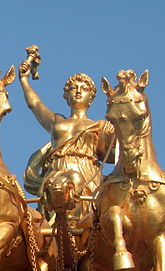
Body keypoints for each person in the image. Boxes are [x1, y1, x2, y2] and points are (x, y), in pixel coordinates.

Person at [19, 60, 115, 220]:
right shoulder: (57, 121)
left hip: (86, 172)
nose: (78, 91)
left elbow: (120, 145)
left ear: (91, 98)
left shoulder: (100, 126)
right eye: (73, 88)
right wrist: (24, 80)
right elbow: (34, 104)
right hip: (57, 170)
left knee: (79, 190)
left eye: (84, 89)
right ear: (66, 95)